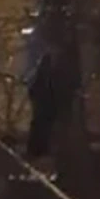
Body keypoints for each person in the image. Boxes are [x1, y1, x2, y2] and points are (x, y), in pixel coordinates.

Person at [19, 8, 57, 159]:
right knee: (42, 117)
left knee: (42, 118)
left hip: (39, 84)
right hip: (40, 84)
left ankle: (40, 148)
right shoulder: (40, 44)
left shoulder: (38, 42)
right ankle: (38, 149)